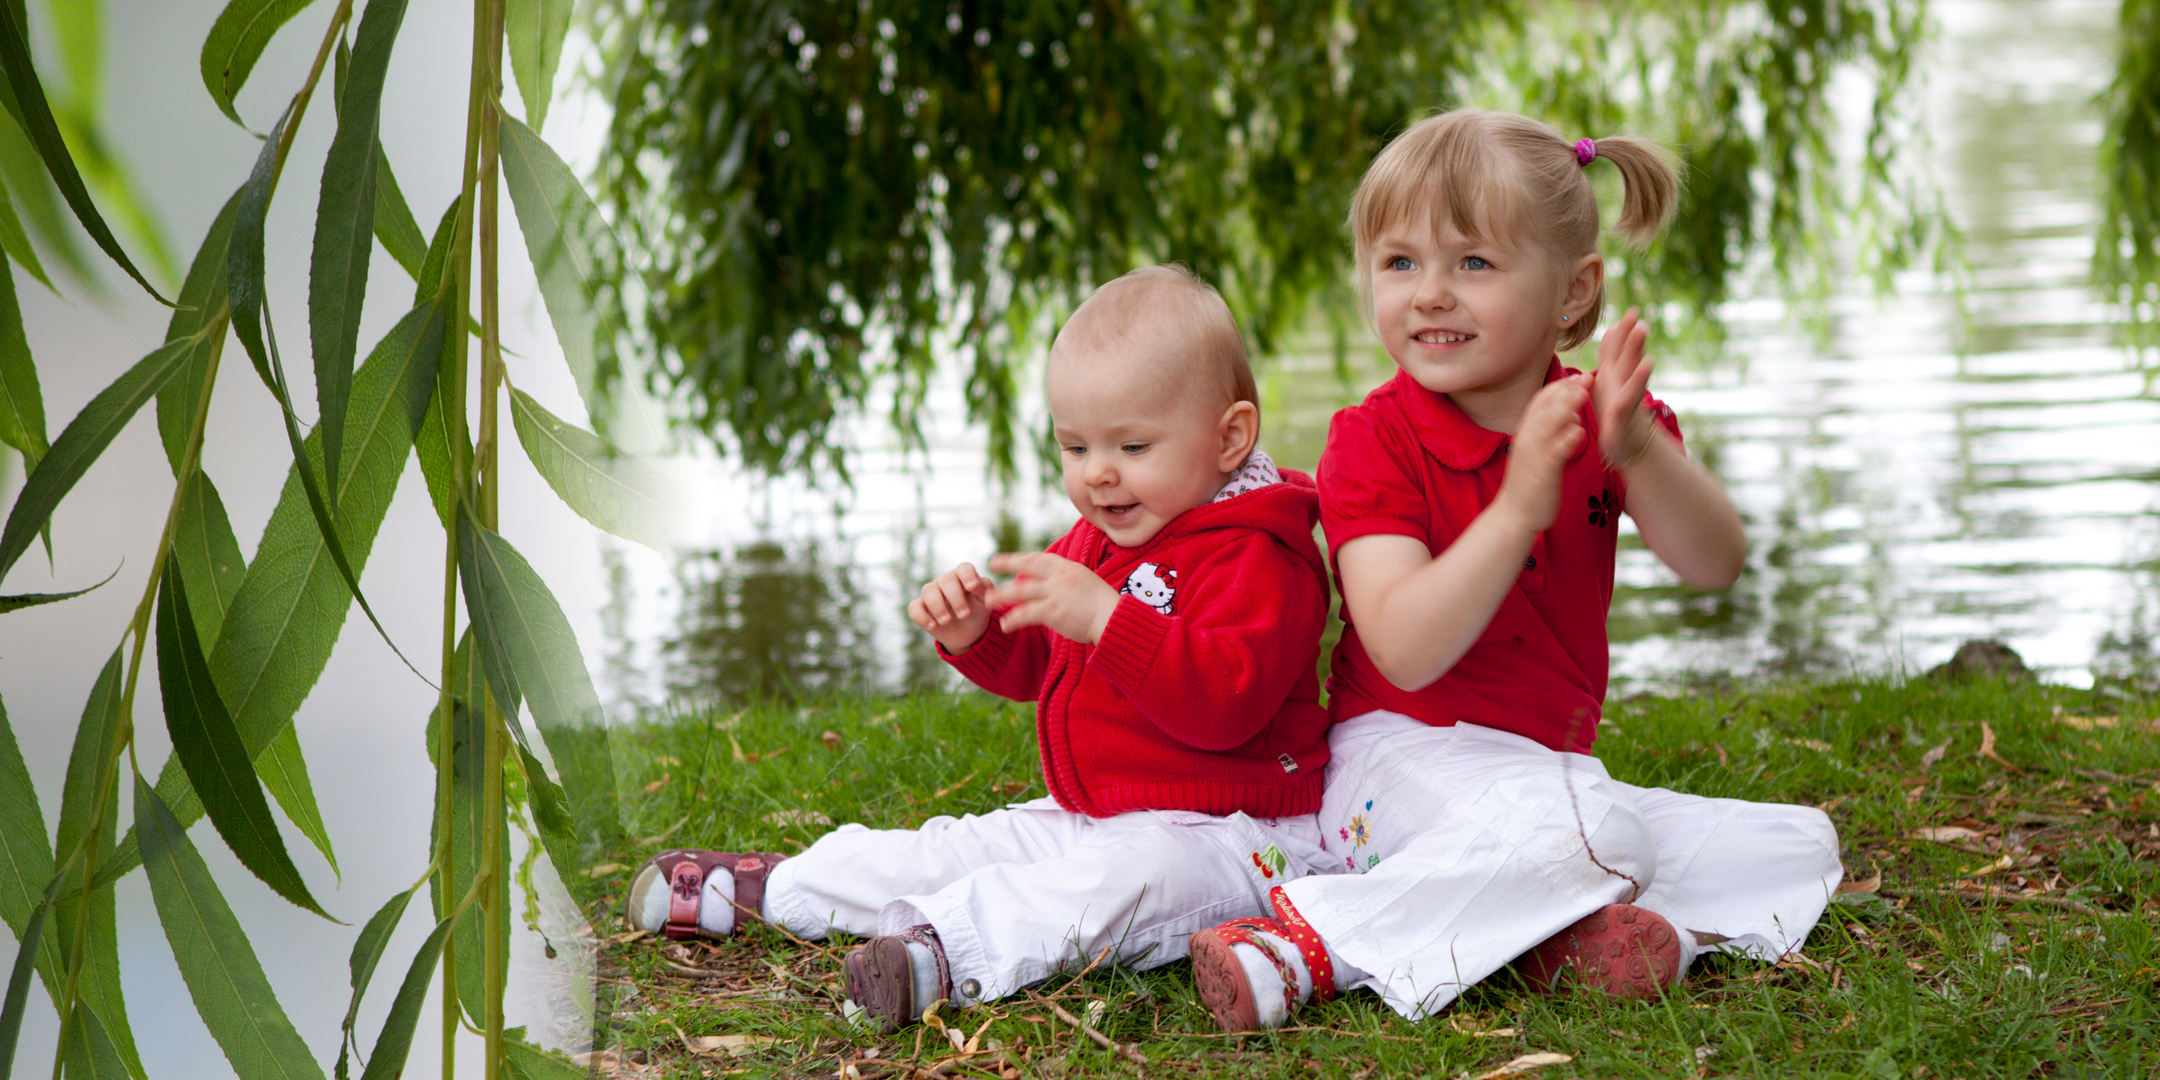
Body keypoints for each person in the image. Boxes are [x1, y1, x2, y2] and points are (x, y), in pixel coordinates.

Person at [1186, 109, 1844, 1032]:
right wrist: (1520, 505)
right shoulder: (1372, 442)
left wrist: (1642, 451)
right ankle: (1305, 944)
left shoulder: (1608, 415)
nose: (1430, 295)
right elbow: (1406, 650)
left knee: (1793, 844)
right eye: (1400, 263)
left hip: (1540, 779)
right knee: (1603, 833)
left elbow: (1716, 565)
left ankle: (1582, 941)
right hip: (1395, 763)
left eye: (1475, 264)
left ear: (1573, 294)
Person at [623, 265, 1338, 1031]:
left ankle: (942, 954)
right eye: (1074, 446)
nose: (1098, 473)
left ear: (1230, 436)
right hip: (1102, 811)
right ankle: (787, 889)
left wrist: (1109, 619)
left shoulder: (1264, 555)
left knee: (1116, 888)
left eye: (1132, 445)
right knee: (967, 846)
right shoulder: (1105, 538)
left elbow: (1227, 704)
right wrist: (976, 637)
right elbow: (1046, 665)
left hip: (1234, 834)